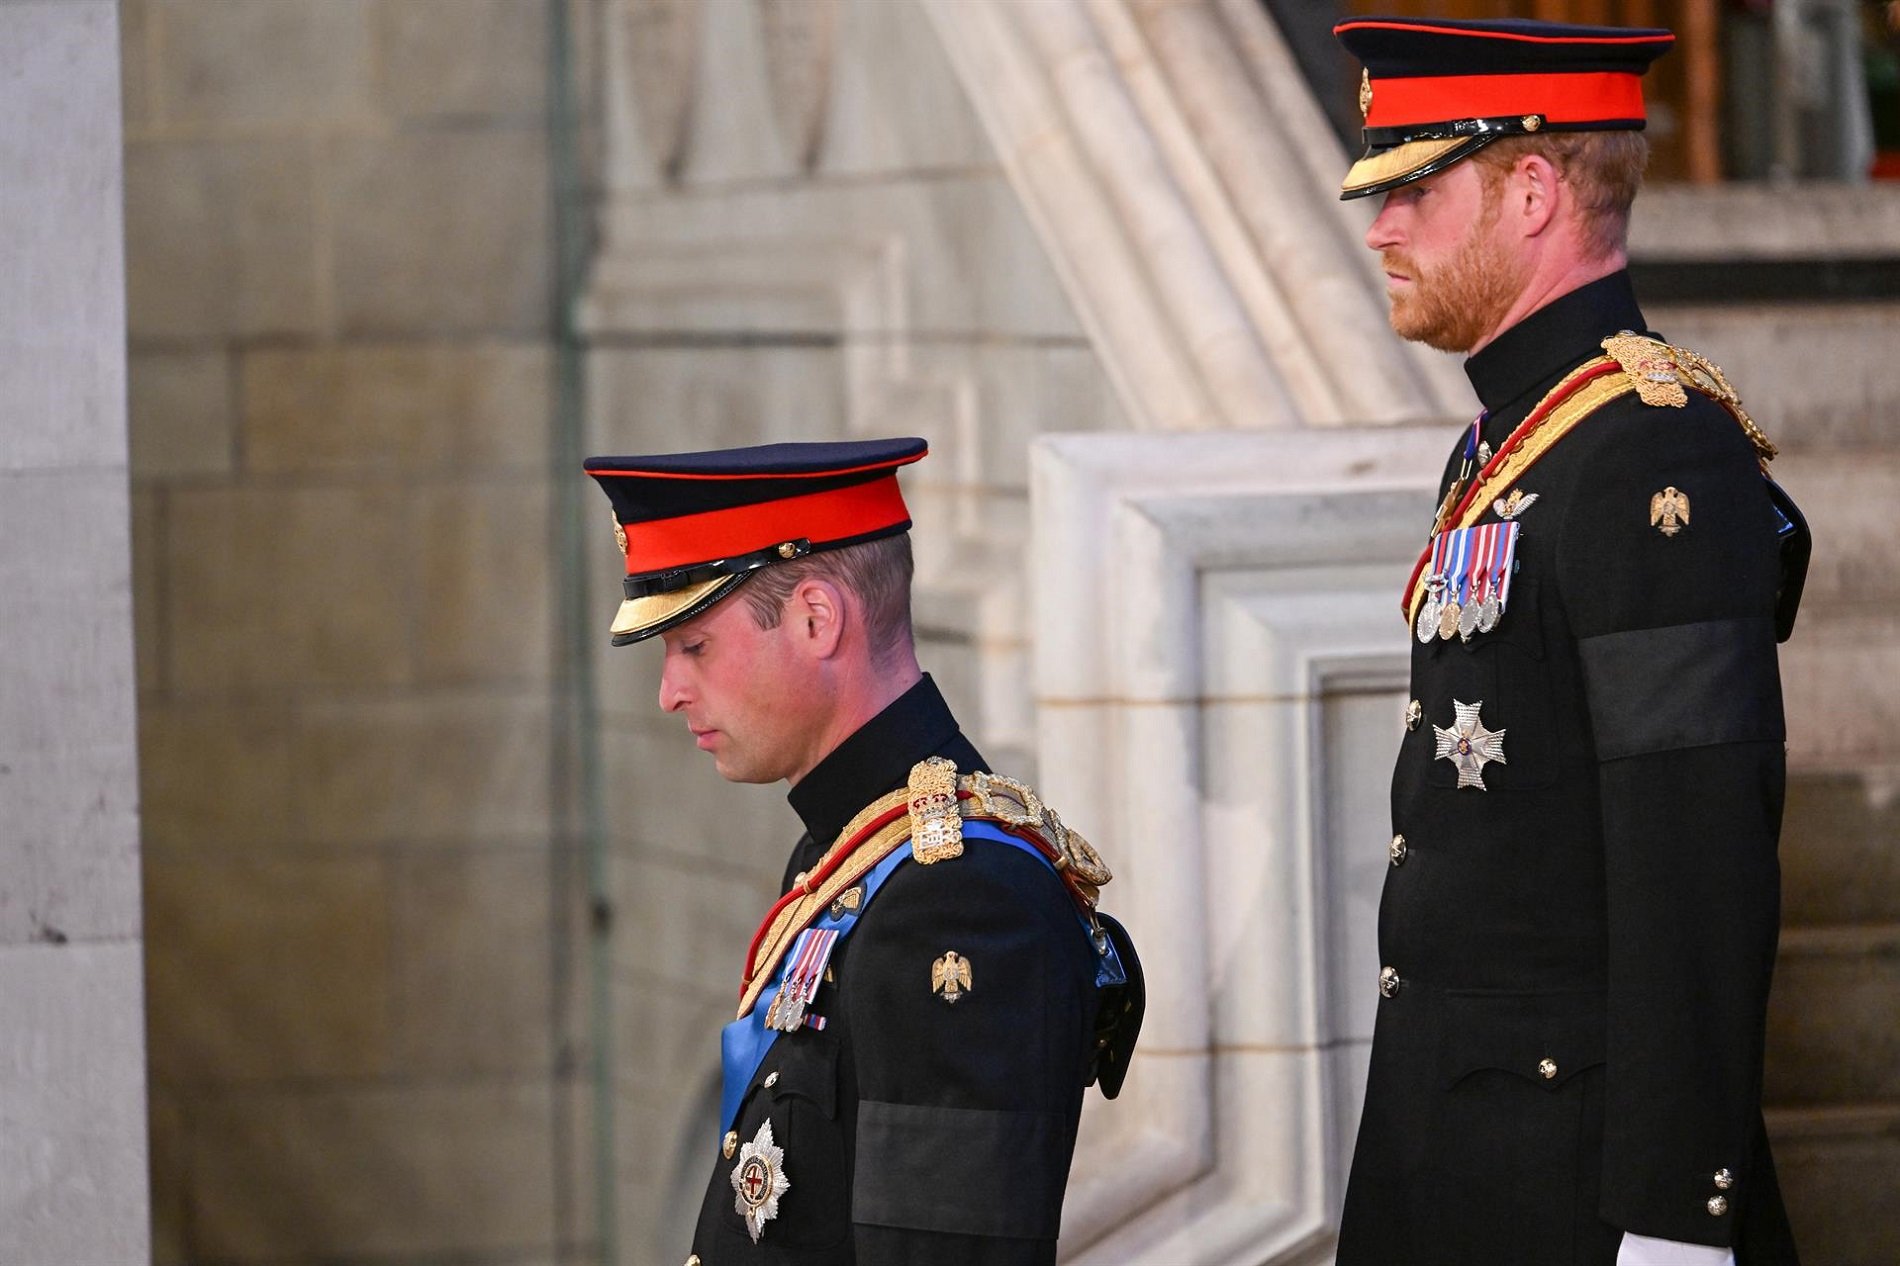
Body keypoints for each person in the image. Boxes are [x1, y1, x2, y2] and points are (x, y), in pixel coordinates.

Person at [1330, 16, 1809, 1266]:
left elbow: (1696, 851)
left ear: (1531, 191)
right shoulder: (1515, 437)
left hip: (1580, 1189)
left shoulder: (1650, 448)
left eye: (1415, 191)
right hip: (1463, 1158)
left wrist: (1674, 1224)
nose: (1380, 229)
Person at [584, 437, 1142, 1266]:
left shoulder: (961, 899)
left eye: (694, 646)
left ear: (817, 618)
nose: (670, 692)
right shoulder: (852, 853)